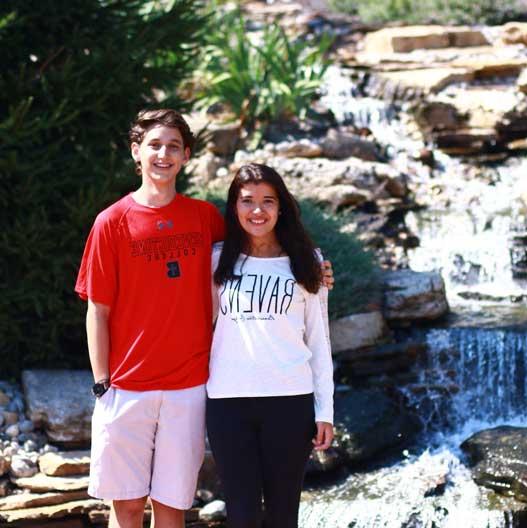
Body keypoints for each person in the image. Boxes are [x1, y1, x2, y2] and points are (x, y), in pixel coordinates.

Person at [75, 109, 334, 528]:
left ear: (187, 156)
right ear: (136, 152)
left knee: (172, 508)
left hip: (191, 388)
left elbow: (259, 247)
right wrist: (103, 384)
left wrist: (314, 270)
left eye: (173, 146)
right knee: (124, 508)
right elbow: (97, 310)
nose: (164, 154)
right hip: (126, 387)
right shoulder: (111, 222)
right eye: (154, 145)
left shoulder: (204, 220)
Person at [206, 163, 334, 528]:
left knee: (282, 515)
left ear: (281, 208)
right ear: (234, 207)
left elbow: (319, 339)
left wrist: (325, 410)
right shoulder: (216, 260)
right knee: (242, 517)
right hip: (228, 403)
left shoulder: (308, 263)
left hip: (290, 403)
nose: (257, 211)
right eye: (247, 201)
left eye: (268, 201)